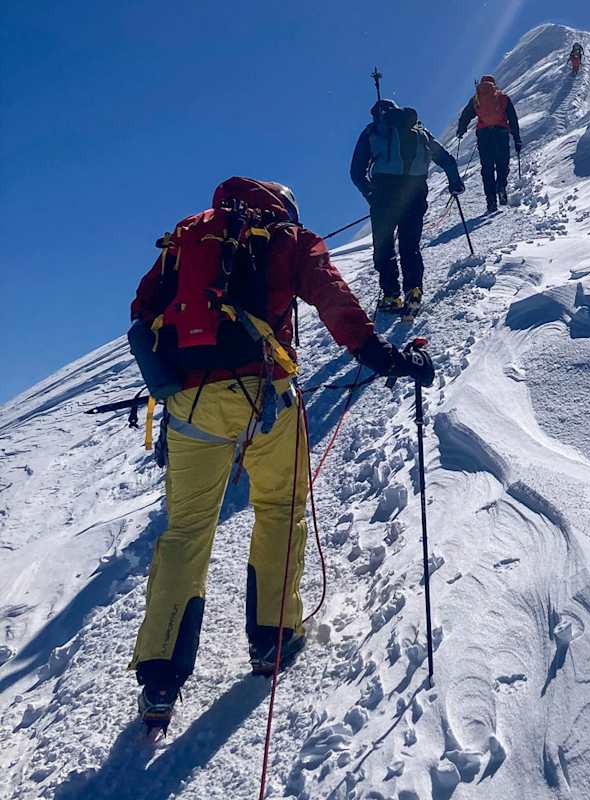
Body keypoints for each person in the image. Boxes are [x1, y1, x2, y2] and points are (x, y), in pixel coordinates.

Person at [127, 177, 434, 729]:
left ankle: (159, 679)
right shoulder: (289, 237)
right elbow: (334, 299)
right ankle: (273, 637)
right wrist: (381, 355)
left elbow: (142, 310)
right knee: (280, 507)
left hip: (191, 405)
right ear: (284, 206)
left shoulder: (189, 236)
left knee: (185, 532)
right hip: (266, 394)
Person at [351, 100, 465, 317]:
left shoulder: (373, 131)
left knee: (383, 245)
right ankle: (413, 290)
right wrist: (455, 183)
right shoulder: (418, 130)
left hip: (384, 192)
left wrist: (370, 193)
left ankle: (391, 295)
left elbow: (356, 171)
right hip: (415, 190)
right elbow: (445, 159)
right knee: (410, 244)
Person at [456, 76, 522, 213]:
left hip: (484, 135)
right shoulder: (502, 97)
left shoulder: (477, 98)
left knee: (487, 168)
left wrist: (461, 130)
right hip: (500, 133)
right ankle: (501, 187)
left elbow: (466, 115)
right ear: (494, 84)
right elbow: (513, 118)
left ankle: (491, 201)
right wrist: (516, 138)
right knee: (502, 163)